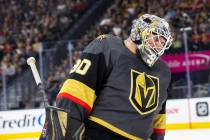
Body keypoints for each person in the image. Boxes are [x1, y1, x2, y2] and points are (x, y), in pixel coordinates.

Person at [39, 14, 173, 140]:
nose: (159, 46)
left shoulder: (163, 72)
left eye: (163, 42)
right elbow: (74, 95)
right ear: (139, 33)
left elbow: (158, 121)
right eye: (156, 39)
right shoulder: (109, 47)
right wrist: (66, 132)